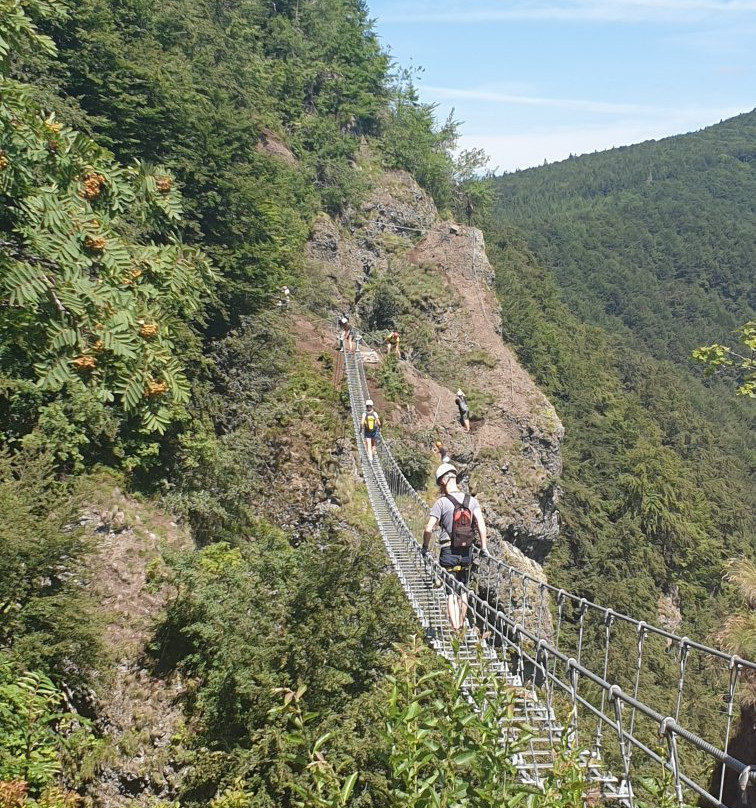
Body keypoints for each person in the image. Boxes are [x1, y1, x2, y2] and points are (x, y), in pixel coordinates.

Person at [421, 463, 488, 633]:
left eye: (440, 484)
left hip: (448, 551)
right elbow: (481, 525)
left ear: (444, 480)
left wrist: (425, 548)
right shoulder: (472, 501)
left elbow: (428, 529)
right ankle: (461, 625)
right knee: (463, 589)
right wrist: (484, 548)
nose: (440, 488)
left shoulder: (442, 502)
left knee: (450, 592)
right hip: (466, 552)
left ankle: (454, 628)